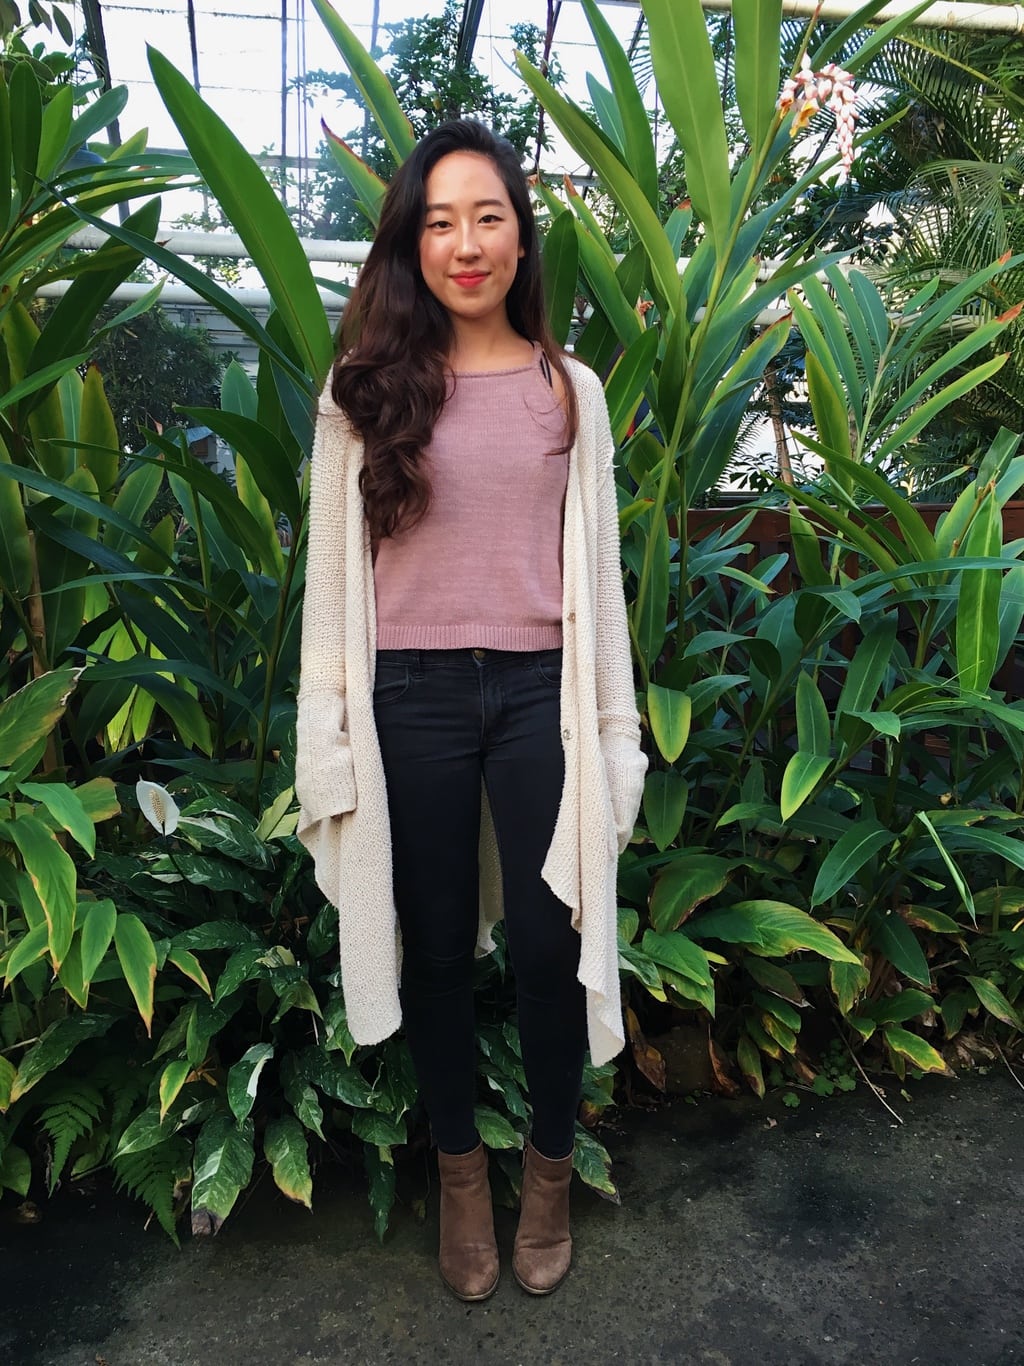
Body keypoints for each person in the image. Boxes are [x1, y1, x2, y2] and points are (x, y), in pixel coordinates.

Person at [294, 118, 646, 1302]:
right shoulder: (359, 395)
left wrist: (614, 736)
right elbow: (331, 596)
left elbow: (597, 581)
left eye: (486, 215)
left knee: (552, 946)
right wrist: (331, 740)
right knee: (438, 950)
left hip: (541, 694)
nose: (465, 242)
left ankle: (546, 1172)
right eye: (439, 220)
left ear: (519, 233)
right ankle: (460, 1179)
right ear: (411, 240)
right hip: (413, 695)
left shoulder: (570, 391)